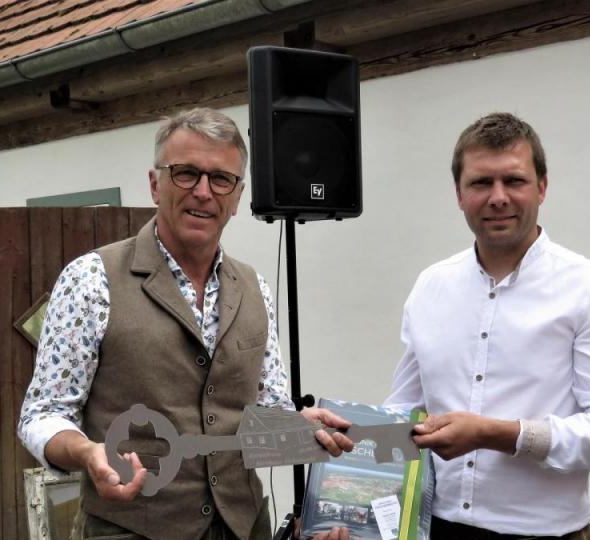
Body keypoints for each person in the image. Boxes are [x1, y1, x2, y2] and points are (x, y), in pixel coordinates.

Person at [18, 108, 353, 540]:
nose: (203, 192)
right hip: (131, 530)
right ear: (155, 184)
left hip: (244, 527)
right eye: (186, 173)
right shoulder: (91, 278)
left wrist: (298, 426)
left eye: (221, 179)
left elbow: (264, 412)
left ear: (237, 197)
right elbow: (43, 414)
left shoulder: (255, 288)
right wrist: (87, 452)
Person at [385, 112, 590, 539]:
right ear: (459, 194)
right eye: (481, 183)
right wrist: (345, 483)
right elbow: (403, 415)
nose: (498, 197)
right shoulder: (431, 286)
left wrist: (497, 434)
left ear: (542, 187)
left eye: (514, 181)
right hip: (437, 529)